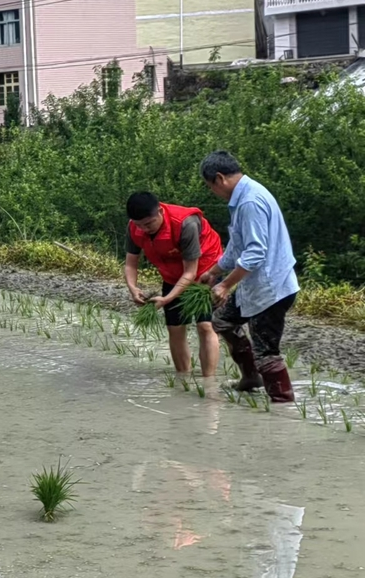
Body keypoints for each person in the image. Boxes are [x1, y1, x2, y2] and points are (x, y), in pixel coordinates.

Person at [199, 150, 299, 403]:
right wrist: (214, 271)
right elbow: (236, 247)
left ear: (219, 178)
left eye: (211, 187)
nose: (214, 192)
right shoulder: (242, 197)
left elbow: (255, 253)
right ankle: (251, 377)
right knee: (221, 320)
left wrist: (224, 286)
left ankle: (282, 404)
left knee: (266, 350)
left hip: (271, 289)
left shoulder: (250, 202)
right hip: (254, 287)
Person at [124, 192, 224, 377]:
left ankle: (208, 381)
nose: (144, 229)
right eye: (139, 225)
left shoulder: (186, 224)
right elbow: (131, 263)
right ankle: (183, 378)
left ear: (160, 211)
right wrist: (133, 287)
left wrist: (167, 299)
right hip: (173, 274)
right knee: (175, 327)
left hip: (205, 271)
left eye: (149, 223)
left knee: (205, 325)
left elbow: (190, 272)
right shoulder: (134, 227)